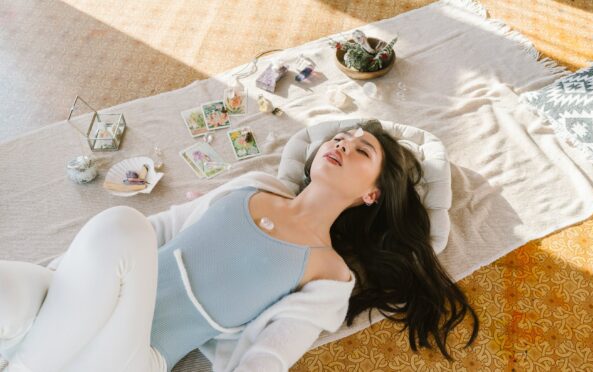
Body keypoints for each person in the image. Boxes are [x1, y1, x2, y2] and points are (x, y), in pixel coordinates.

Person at [0, 120, 478, 371]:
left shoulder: (329, 272)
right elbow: (165, 227)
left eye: (362, 150)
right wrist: (67, 276)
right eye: (340, 137)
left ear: (371, 193)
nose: (343, 146)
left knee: (122, 225)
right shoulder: (254, 185)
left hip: (129, 353)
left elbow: (266, 358)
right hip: (73, 307)